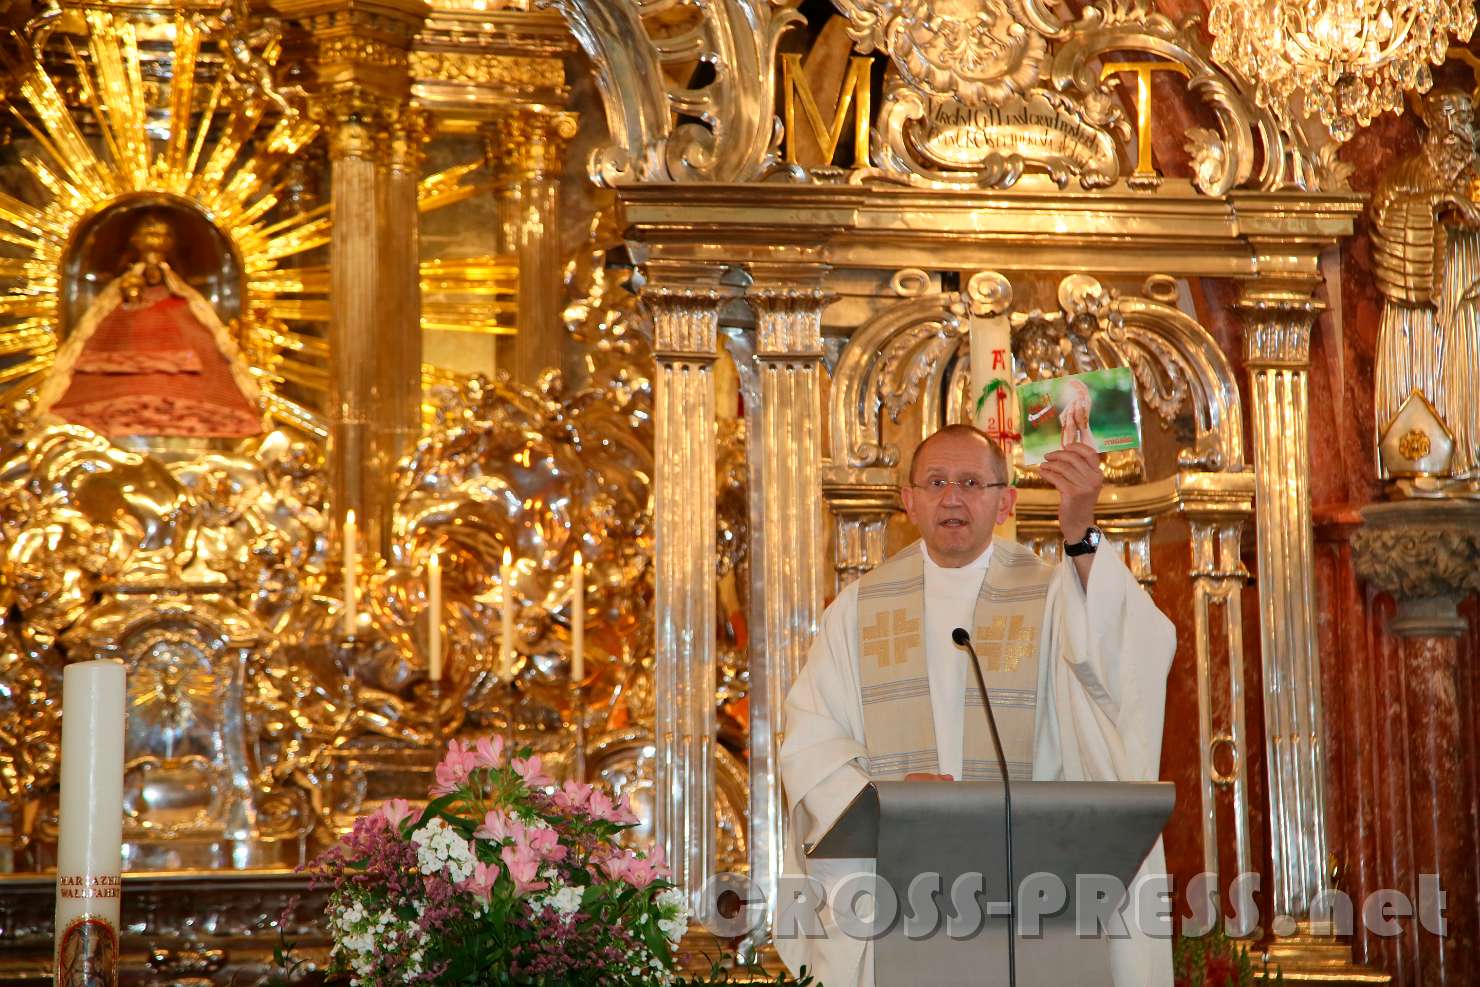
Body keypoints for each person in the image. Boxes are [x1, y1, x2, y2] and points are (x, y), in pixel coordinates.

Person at [778, 423, 1175, 987]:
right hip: (899, 892)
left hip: (1034, 889)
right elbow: (811, 743)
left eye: (971, 481)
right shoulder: (857, 610)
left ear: (1005, 501)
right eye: (936, 482)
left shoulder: (1053, 593)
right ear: (908, 501)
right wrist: (880, 799)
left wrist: (1081, 530)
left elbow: (1131, 659)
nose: (952, 497)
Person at [36, 212, 263, 439]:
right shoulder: (124, 282)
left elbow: (182, 293)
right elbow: (114, 301)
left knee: (198, 349)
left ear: (170, 242)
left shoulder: (177, 286)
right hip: (126, 331)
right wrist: (130, 287)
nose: (154, 239)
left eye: (160, 234)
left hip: (173, 320)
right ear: (135, 240)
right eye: (148, 233)